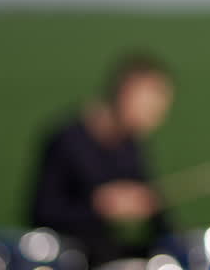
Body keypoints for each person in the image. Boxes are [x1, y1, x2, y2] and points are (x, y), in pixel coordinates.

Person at [27, 52, 177, 266]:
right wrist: (99, 207)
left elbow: (157, 216)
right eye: (149, 107)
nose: (156, 117)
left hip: (113, 255)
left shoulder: (131, 144)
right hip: (71, 260)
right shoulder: (67, 141)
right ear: (124, 93)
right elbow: (41, 213)